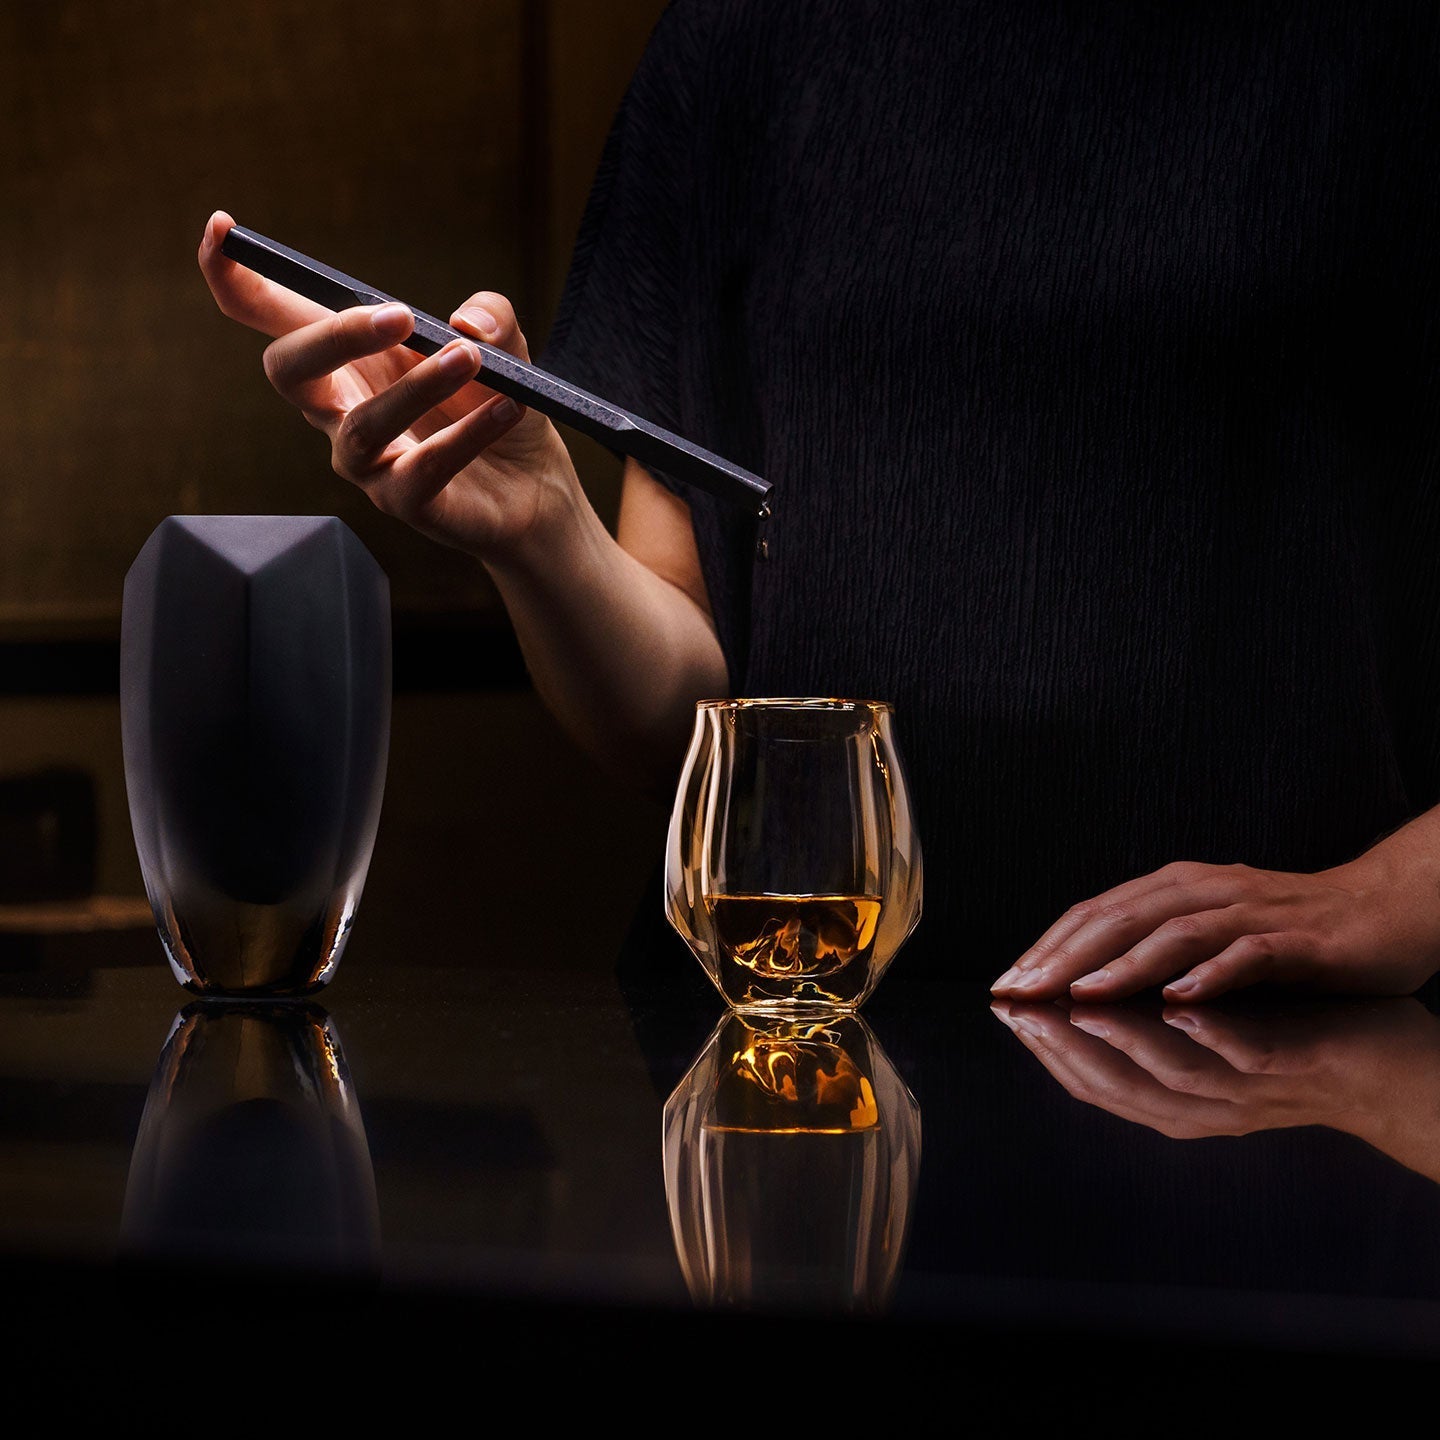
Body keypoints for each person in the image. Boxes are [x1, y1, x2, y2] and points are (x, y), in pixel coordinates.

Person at [198, 0, 1440, 1005]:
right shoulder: (747, 36)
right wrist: (544, 535)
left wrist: (1387, 900)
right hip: (793, 1053)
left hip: (1267, 1072)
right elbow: (681, 725)